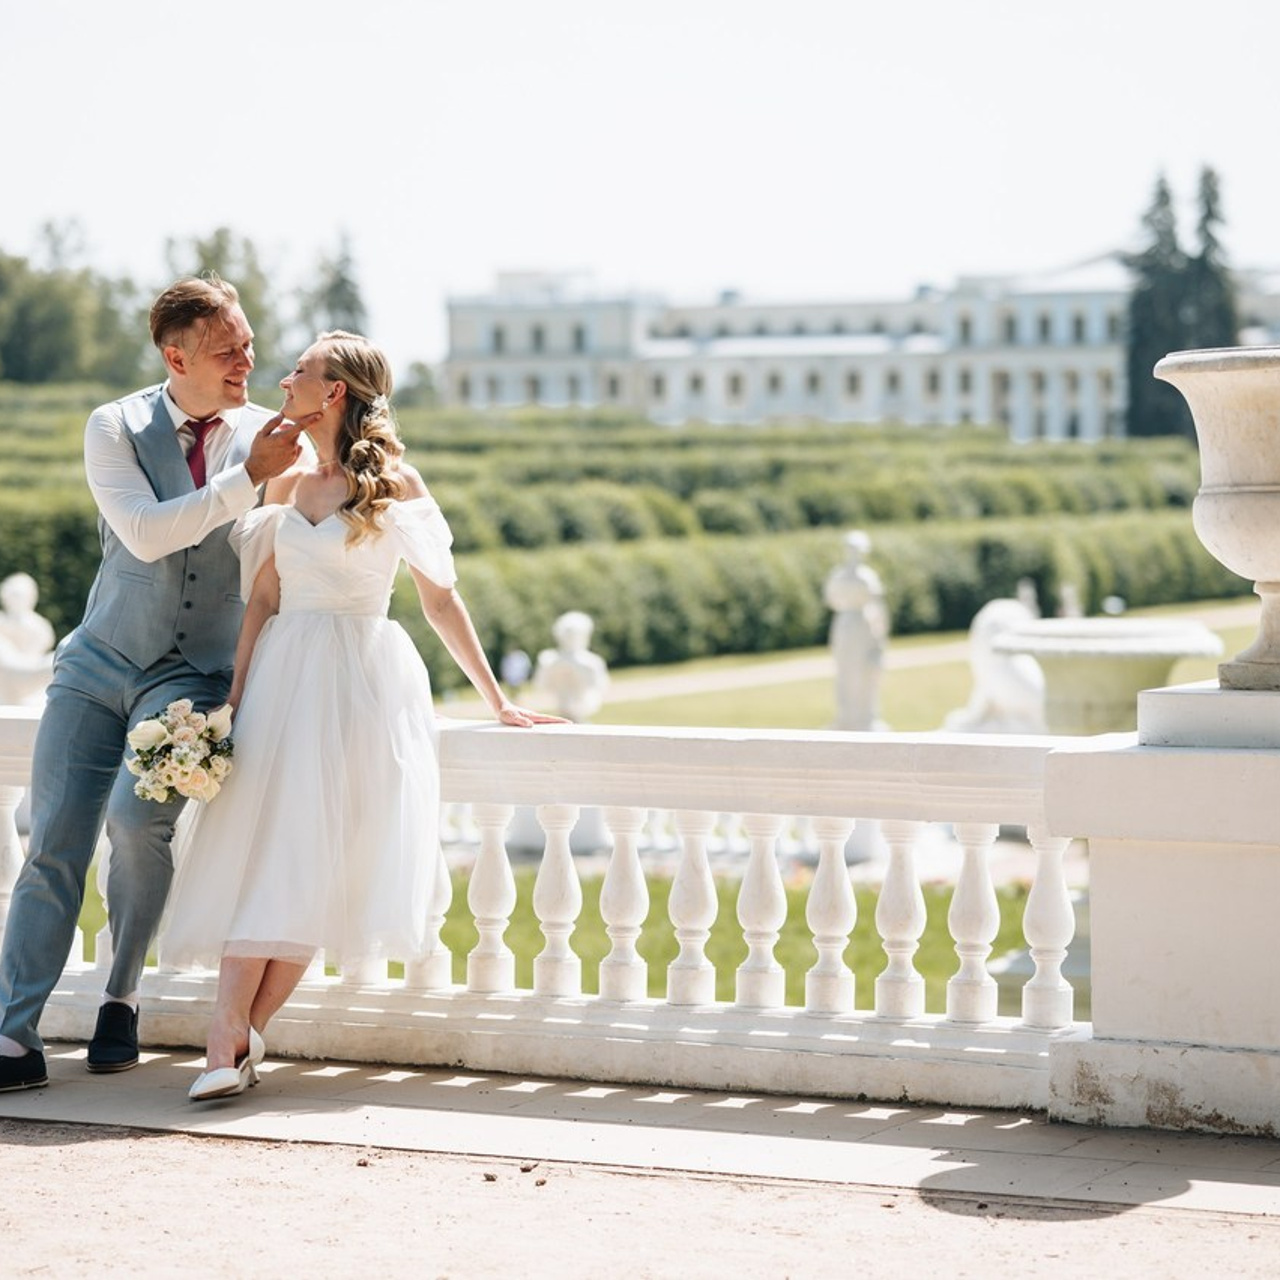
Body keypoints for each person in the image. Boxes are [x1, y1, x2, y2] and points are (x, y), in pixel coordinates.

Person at [159, 330, 563, 1101]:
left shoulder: (395, 483)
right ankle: (226, 1038)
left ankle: (238, 1038)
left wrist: (498, 700)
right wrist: (233, 703)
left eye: (299, 371)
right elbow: (263, 601)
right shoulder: (284, 483)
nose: (283, 381)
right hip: (283, 681)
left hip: (364, 686)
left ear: (335, 390)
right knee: (266, 854)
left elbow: (440, 598)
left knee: (321, 862)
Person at [0, 275, 308, 1093]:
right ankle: (13, 1035)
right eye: (228, 350)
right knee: (53, 843)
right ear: (177, 358)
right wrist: (245, 479)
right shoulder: (115, 426)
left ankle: (121, 996)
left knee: (140, 828)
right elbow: (142, 534)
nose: (247, 360)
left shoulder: (273, 439)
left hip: (195, 674)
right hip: (97, 662)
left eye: (248, 343)